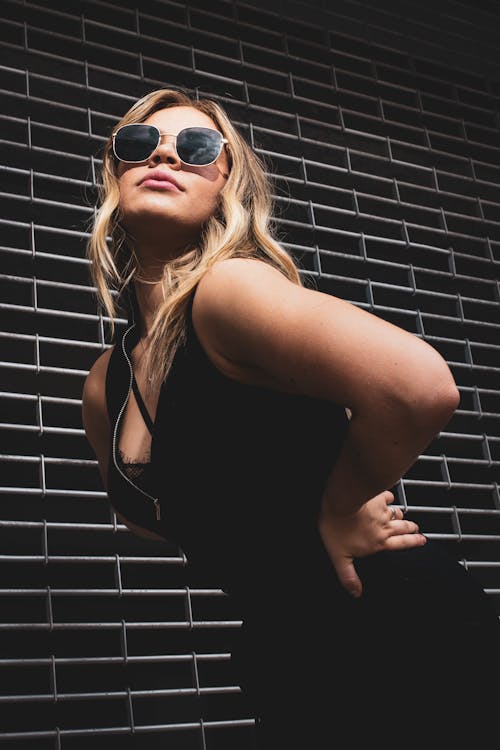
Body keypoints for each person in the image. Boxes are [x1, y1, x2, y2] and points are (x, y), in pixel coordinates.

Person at [82, 87, 499, 748]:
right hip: (289, 658)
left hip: (395, 633)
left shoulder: (228, 290)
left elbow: (420, 386)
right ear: (115, 172)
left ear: (225, 184)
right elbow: (147, 513)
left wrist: (336, 506)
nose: (164, 152)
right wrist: (273, 526)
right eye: (139, 143)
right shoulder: (106, 384)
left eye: (196, 148)